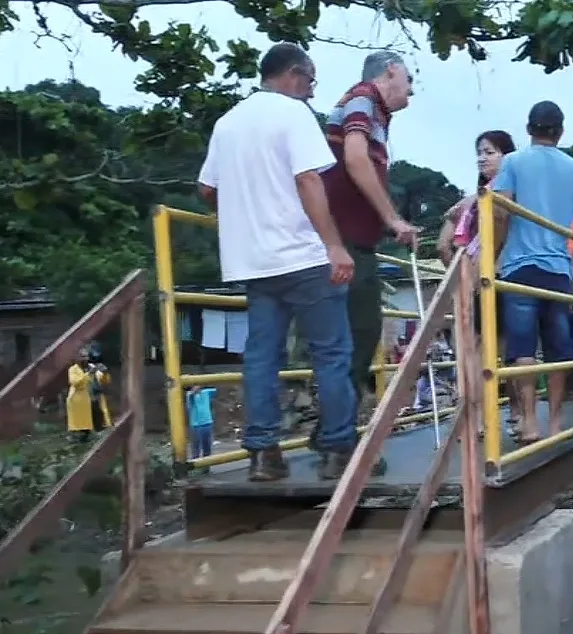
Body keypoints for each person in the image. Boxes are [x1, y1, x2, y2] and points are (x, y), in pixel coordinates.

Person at [197, 43, 360, 482]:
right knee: (331, 354)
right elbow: (308, 179)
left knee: (261, 358)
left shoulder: (227, 123)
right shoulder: (292, 114)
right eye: (310, 80)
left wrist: (247, 210)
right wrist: (334, 246)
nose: (310, 90)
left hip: (252, 262)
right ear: (292, 74)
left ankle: (262, 456)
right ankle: (337, 451)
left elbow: (208, 190)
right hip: (303, 257)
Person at [492, 100, 573, 444]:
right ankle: (555, 423)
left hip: (518, 267)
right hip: (558, 268)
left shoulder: (512, 162)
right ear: (560, 131)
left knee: (522, 349)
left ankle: (529, 422)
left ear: (529, 129)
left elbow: (500, 212)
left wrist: (493, 258)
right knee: (557, 348)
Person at [323, 51, 420, 406]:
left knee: (359, 332)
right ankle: (340, 432)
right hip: (345, 239)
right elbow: (355, 157)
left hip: (353, 237)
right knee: (360, 332)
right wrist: (393, 219)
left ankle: (339, 426)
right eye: (408, 79)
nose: (410, 90)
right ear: (391, 71)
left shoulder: (373, 110)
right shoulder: (362, 99)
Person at [436, 130, 520, 433]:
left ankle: (478, 421)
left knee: (473, 352)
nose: (482, 158)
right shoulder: (512, 196)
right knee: (508, 351)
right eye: (481, 152)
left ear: (506, 156)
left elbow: (443, 245)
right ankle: (514, 415)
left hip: (476, 280)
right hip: (503, 276)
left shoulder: (470, 201)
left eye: (490, 152)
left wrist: (461, 273)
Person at [66, 346, 111, 443]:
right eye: (82, 356)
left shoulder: (92, 367)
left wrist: (105, 372)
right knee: (81, 427)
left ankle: (98, 441)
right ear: (76, 358)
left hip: (95, 398)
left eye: (86, 356)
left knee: (99, 423)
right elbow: (77, 383)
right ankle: (79, 441)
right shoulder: (73, 369)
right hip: (79, 401)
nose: (85, 359)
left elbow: (104, 381)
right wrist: (88, 373)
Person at [186, 386, 217, 459]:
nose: (196, 387)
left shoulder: (206, 392)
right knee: (196, 448)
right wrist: (194, 392)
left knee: (207, 447)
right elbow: (190, 398)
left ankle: (206, 468)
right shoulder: (189, 394)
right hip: (196, 425)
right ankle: (196, 467)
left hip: (207, 423)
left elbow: (217, 390)